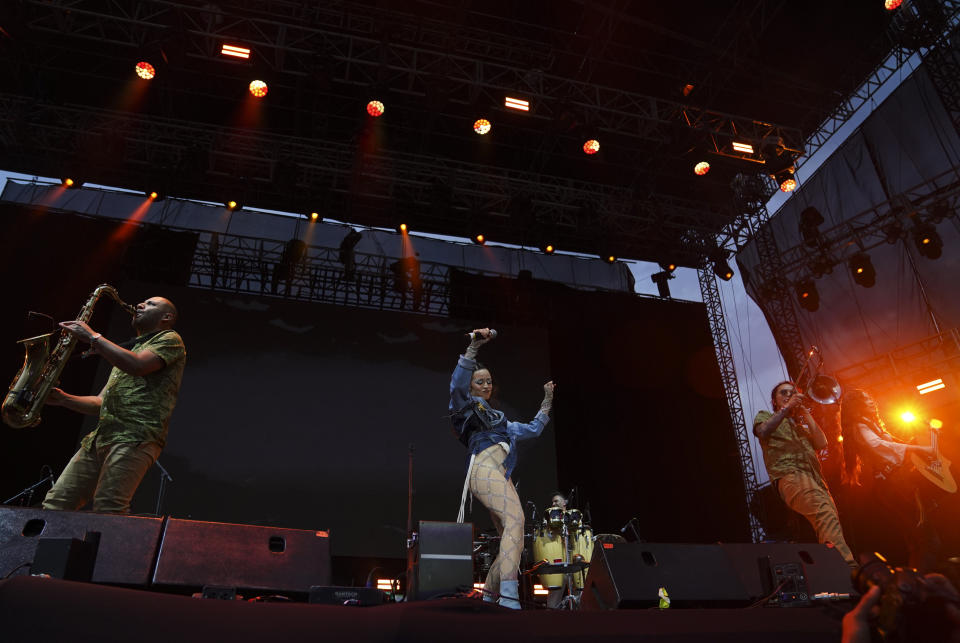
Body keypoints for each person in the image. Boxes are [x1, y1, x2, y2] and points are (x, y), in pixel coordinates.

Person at [42, 296, 186, 514]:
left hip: (135, 436)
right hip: (100, 438)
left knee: (109, 507)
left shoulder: (170, 339)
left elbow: (138, 365)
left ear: (167, 317)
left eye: (150, 304)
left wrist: (93, 336)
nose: (139, 305)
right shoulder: (128, 351)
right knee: (56, 503)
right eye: (142, 303)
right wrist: (63, 398)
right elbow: (101, 403)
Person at [449, 328, 554, 609]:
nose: (485, 386)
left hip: (501, 474)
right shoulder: (467, 407)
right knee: (516, 521)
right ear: (472, 387)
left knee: (515, 539)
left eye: (489, 382)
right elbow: (457, 386)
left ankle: (488, 597)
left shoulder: (502, 421)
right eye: (479, 382)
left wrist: (547, 401)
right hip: (483, 469)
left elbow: (532, 429)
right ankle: (508, 596)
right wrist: (472, 350)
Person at [754, 381, 855, 567]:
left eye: (793, 393)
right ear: (775, 401)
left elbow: (821, 442)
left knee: (828, 521)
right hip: (790, 475)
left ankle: (832, 567)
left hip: (816, 480)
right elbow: (762, 430)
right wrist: (787, 409)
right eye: (784, 393)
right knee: (824, 514)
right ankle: (846, 567)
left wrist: (804, 412)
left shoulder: (802, 427)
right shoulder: (766, 415)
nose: (789, 395)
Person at [839, 388, 940, 571]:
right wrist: (917, 449)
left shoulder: (870, 424)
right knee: (924, 539)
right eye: (866, 399)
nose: (871, 401)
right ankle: (920, 585)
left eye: (870, 398)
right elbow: (878, 444)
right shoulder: (860, 426)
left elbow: (896, 447)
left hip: (895, 485)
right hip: (893, 487)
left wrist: (921, 443)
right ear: (857, 406)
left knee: (919, 540)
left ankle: (916, 584)